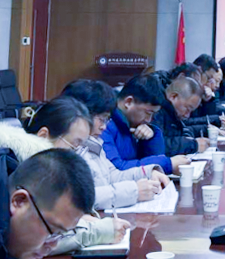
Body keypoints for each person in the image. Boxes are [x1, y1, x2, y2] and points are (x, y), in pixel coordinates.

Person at [0, 97, 129, 254]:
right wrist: (97, 231)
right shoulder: (7, 171)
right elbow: (26, 241)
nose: (78, 156)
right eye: (74, 146)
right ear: (44, 136)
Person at [60, 79, 171, 210]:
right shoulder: (64, 146)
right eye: (101, 119)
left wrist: (147, 172)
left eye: (107, 120)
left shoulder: (93, 142)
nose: (104, 126)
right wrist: (134, 191)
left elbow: (112, 175)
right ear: (78, 115)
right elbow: (78, 198)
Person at [102, 74, 187, 175]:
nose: (149, 120)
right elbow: (117, 170)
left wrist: (151, 138)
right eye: (148, 113)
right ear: (128, 102)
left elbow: (150, 164)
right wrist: (167, 163)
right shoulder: (104, 125)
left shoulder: (132, 123)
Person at [155, 75, 211, 156]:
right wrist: (193, 145)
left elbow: (183, 132)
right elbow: (157, 145)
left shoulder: (173, 113)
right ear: (173, 97)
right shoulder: (156, 110)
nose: (187, 115)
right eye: (187, 108)